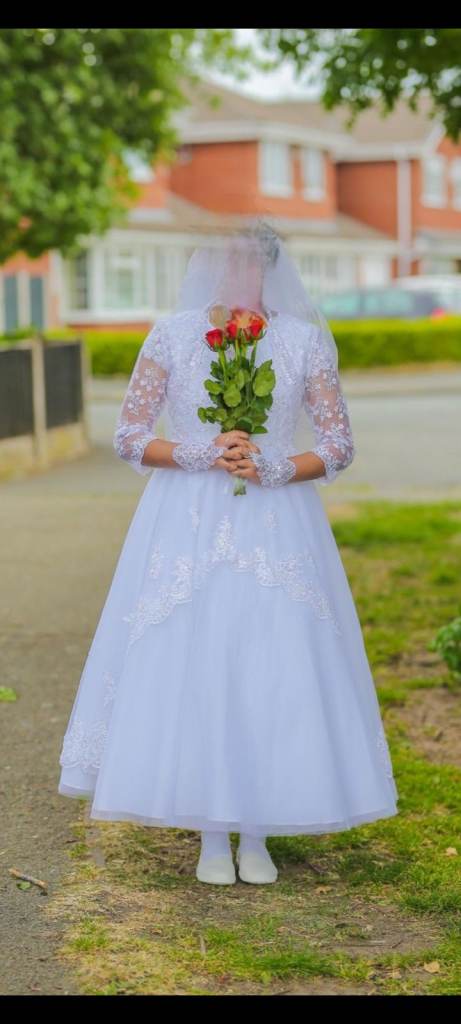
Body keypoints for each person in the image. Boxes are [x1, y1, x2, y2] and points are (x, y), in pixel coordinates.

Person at [58, 222, 399, 886]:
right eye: (223, 263)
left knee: (270, 658)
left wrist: (274, 465)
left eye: (247, 264)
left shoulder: (301, 341)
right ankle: (212, 832)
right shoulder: (173, 334)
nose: (233, 275)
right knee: (198, 656)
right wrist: (193, 453)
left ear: (270, 270)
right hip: (185, 518)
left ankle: (259, 828)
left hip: (275, 522)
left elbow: (337, 443)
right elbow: (129, 434)